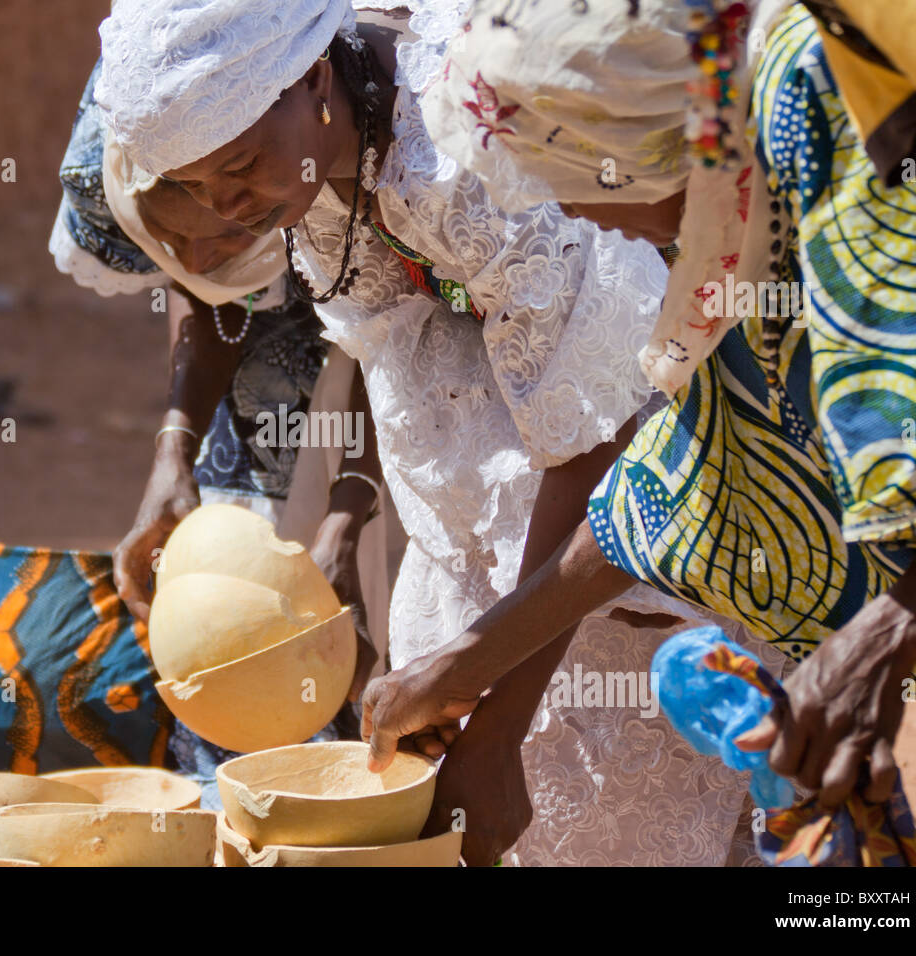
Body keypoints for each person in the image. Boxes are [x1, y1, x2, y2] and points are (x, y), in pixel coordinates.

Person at [95, 0, 789, 865]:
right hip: (480, 558)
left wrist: (498, 723)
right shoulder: (309, 161)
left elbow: (595, 447)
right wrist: (353, 518)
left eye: (238, 167)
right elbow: (397, 356)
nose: (228, 207)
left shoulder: (470, 156)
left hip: (610, 559)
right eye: (200, 188)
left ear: (312, 78)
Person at [364, 0, 916, 863]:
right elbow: (680, 482)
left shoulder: (841, 133)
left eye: (564, 180)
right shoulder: (734, 207)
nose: (585, 221)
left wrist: (884, 637)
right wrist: (463, 670)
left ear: (626, 151)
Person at [49, 62, 390, 807]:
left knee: (386, 643)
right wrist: (174, 450)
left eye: (220, 230)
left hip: (412, 352)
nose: (196, 263)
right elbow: (207, 287)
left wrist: (348, 513)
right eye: (171, 236)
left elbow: (406, 339)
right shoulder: (142, 124)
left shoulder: (364, 143)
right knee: (242, 646)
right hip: (269, 370)